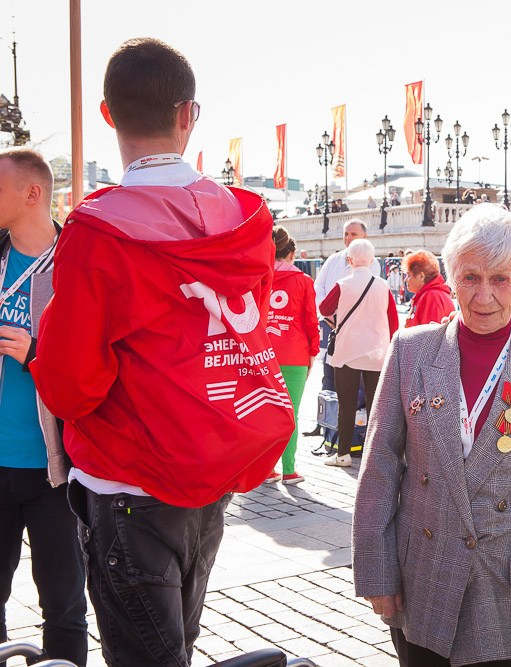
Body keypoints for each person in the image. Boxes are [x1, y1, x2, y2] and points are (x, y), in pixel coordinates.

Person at [30, 38, 294, 666]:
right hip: (214, 461)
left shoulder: (99, 228)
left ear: (107, 114)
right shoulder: (242, 217)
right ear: (188, 115)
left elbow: (70, 383)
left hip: (130, 476)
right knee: (178, 641)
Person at [352, 203, 511, 666]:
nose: (484, 296)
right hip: (422, 585)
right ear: (451, 278)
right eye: (470, 277)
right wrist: (377, 571)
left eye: (500, 279)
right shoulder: (410, 351)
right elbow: (380, 469)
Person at [0, 149, 88, 665]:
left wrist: (36, 354)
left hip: (57, 469)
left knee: (64, 606)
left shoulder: (78, 264)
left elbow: (98, 368)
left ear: (32, 193)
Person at [319, 240, 398, 467]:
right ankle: (374, 455)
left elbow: (324, 308)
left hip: (347, 350)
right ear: (372, 260)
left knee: (347, 405)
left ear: (349, 260)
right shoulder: (383, 286)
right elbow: (393, 321)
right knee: (375, 406)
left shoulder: (342, 284)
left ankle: (343, 454)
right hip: (377, 351)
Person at [264, 226, 320, 485]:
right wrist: (313, 353)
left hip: (263, 353)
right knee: (290, 413)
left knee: (266, 411)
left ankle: (266, 469)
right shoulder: (304, 281)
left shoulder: (261, 277)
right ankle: (289, 470)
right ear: (291, 254)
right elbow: (311, 321)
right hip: (294, 353)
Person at [313, 220, 380, 401]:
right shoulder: (333, 260)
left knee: (350, 377)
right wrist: (326, 313)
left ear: (364, 237)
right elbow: (318, 286)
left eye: (353, 234)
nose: (349, 238)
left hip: (356, 330)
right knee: (328, 374)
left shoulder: (372, 263)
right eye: (346, 234)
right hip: (331, 325)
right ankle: (327, 413)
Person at [402, 250, 454, 327]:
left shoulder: (431, 297)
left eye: (409, 275)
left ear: (421, 276)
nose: (405, 279)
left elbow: (429, 333)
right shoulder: (432, 294)